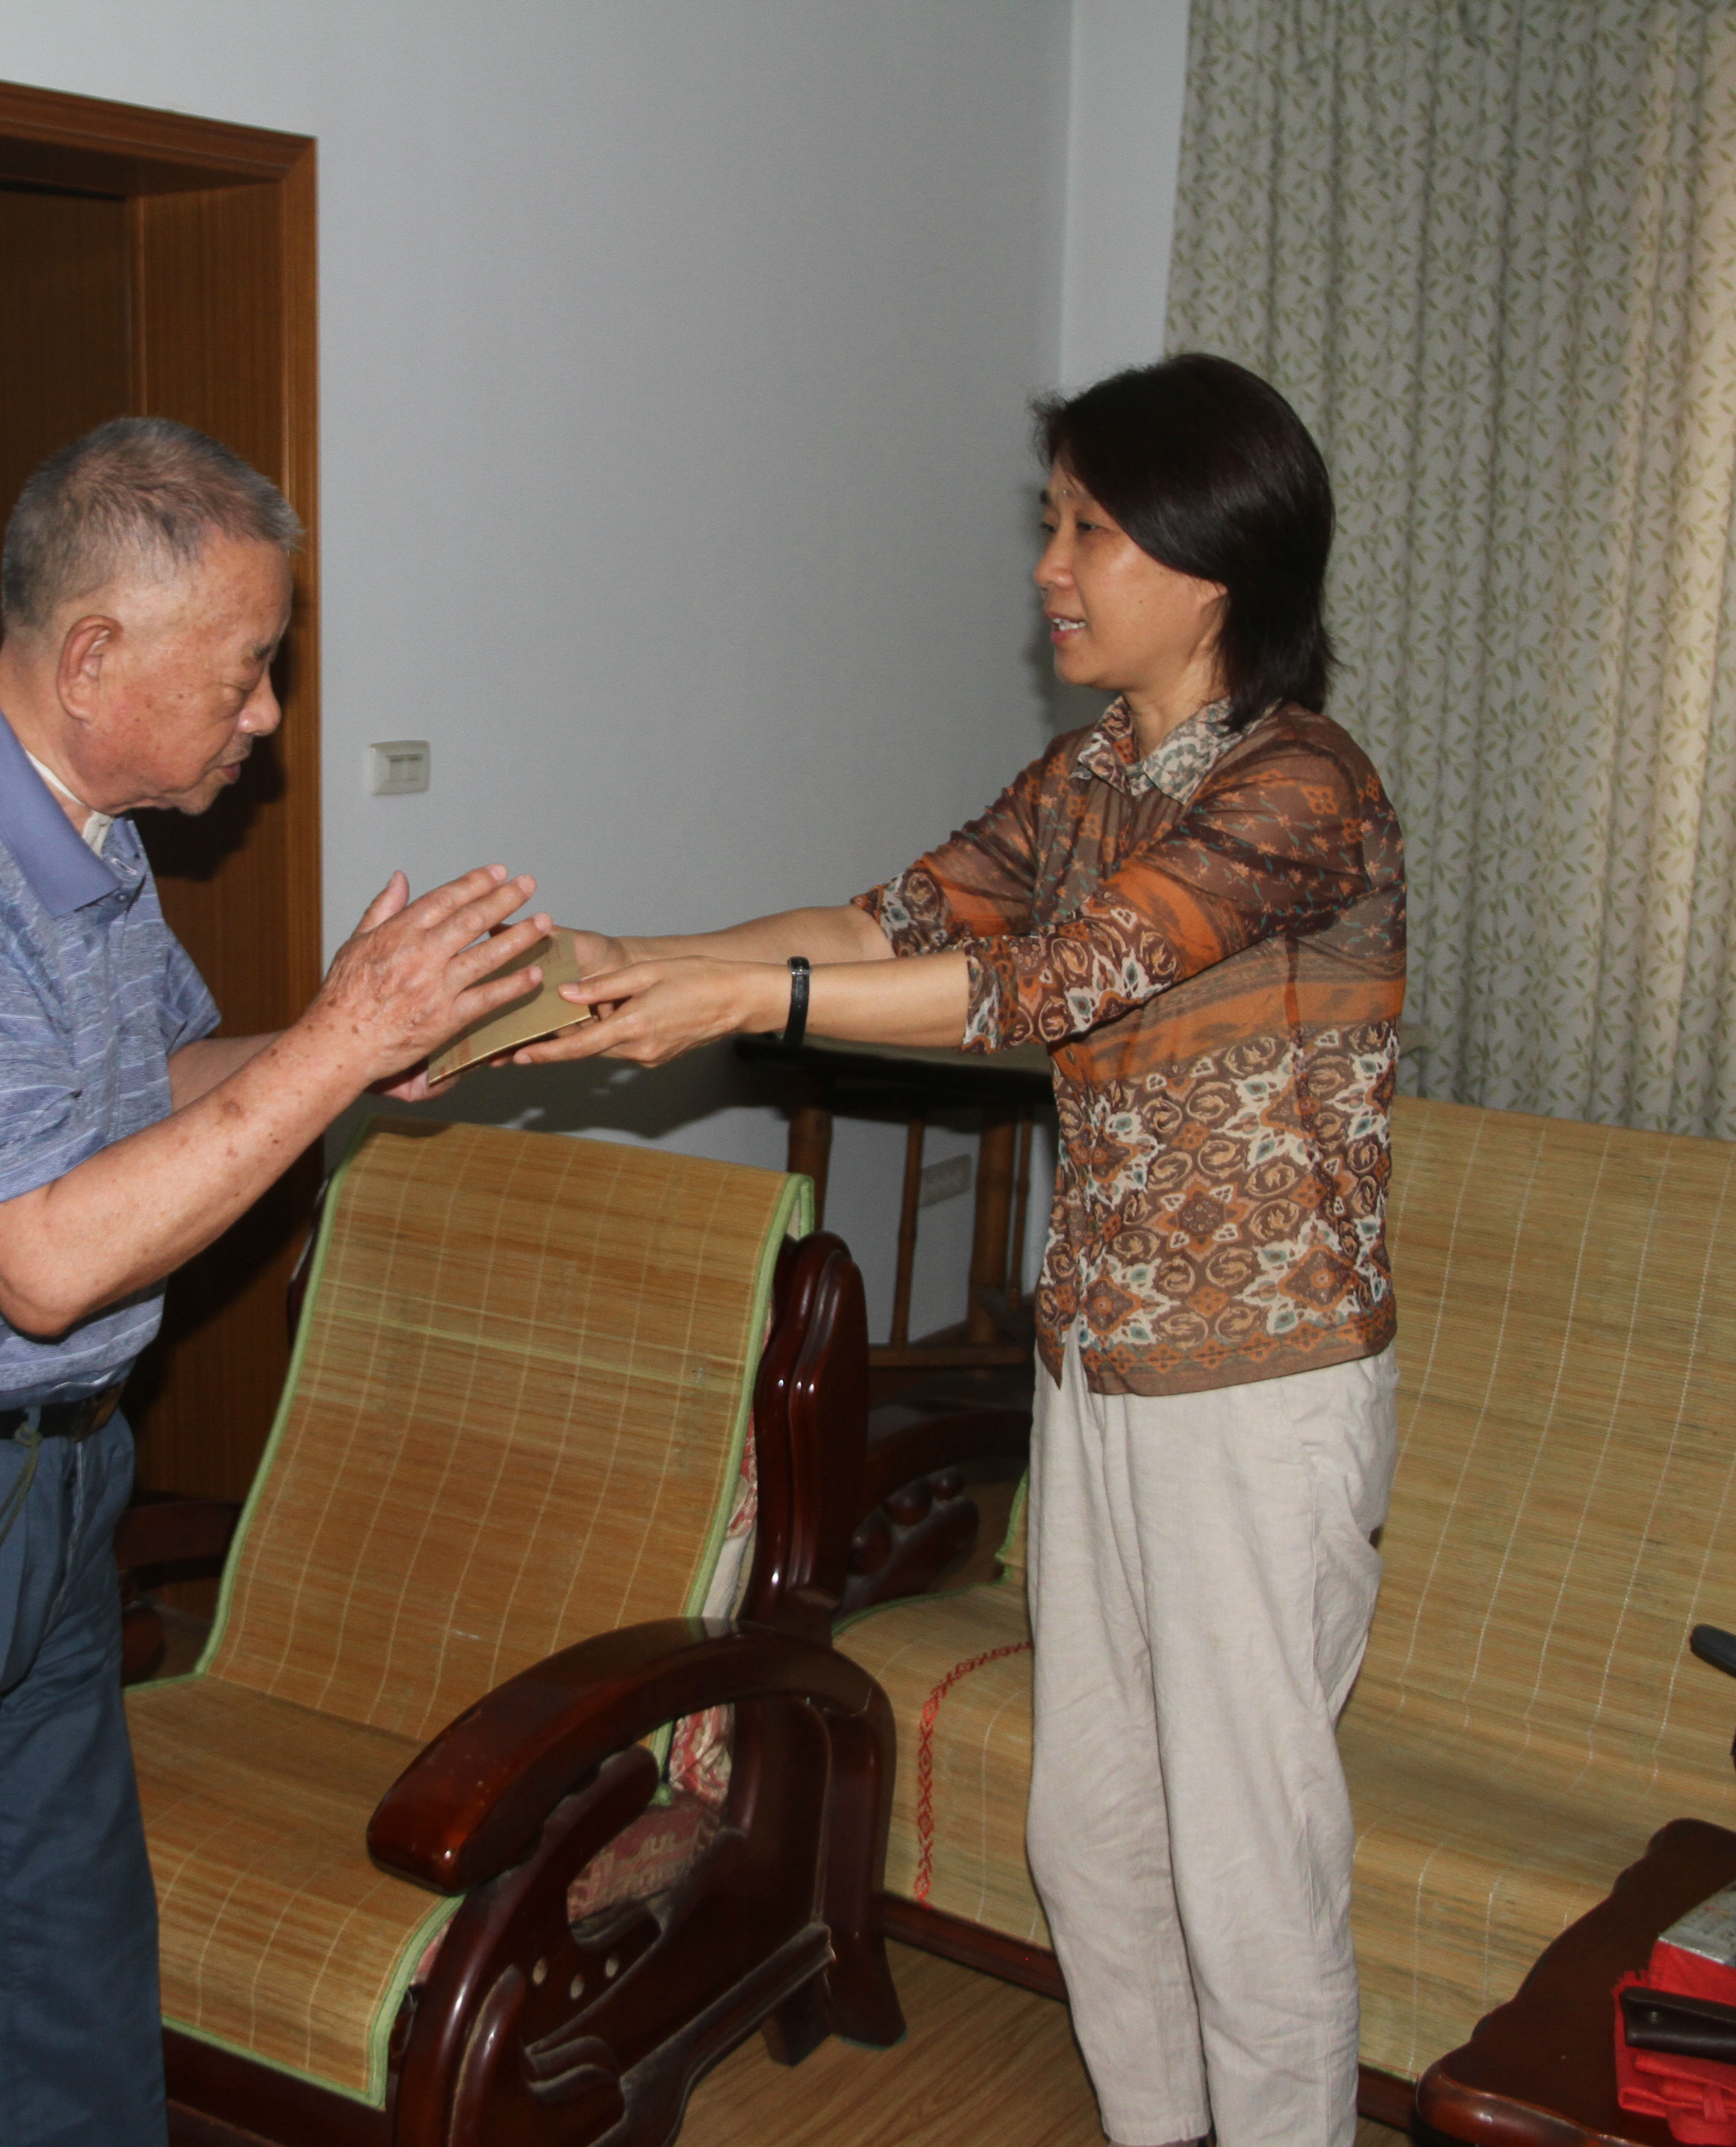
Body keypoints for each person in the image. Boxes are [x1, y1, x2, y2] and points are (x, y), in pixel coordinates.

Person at [523, 353, 1406, 2147]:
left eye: (1089, 529)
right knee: (1092, 1831)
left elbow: (1048, 985)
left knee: (1246, 1862)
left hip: (1263, 1391)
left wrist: (740, 1003)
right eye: (1052, 524)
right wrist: (640, 959)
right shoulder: (1094, 773)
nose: (1049, 568)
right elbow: (893, 923)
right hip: (1102, 1368)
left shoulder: (1304, 784)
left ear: (1211, 561)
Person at [0, 416, 550, 2146]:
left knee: (63, 1961)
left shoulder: (85, 825)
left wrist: (345, 1050)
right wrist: (337, 1045)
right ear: (92, 660)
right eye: (247, 670)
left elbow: (148, 1092)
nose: (268, 715)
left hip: (42, 1478)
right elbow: (48, 1262)